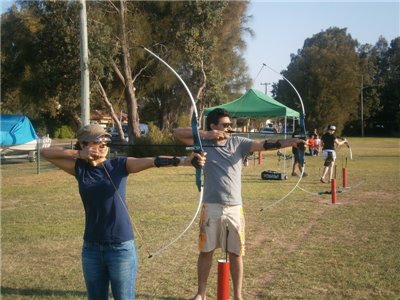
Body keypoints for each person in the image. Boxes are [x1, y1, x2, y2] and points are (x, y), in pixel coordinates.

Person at [41, 124, 206, 300]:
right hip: (91, 248)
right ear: (83, 144)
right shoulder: (80, 169)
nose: (104, 145)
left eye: (106, 141)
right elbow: (45, 153)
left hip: (120, 248)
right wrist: (78, 155)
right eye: (98, 141)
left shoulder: (119, 165)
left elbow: (153, 160)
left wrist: (185, 161)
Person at [173, 108, 306, 300]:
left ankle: (238, 296)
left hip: (234, 206)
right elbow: (177, 133)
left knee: (236, 253)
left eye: (230, 125)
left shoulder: (239, 142)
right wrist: (206, 134)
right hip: (211, 205)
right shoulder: (204, 142)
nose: (229, 128)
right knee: (206, 251)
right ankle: (200, 294)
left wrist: (289, 142)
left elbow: (264, 144)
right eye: (225, 125)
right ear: (213, 126)